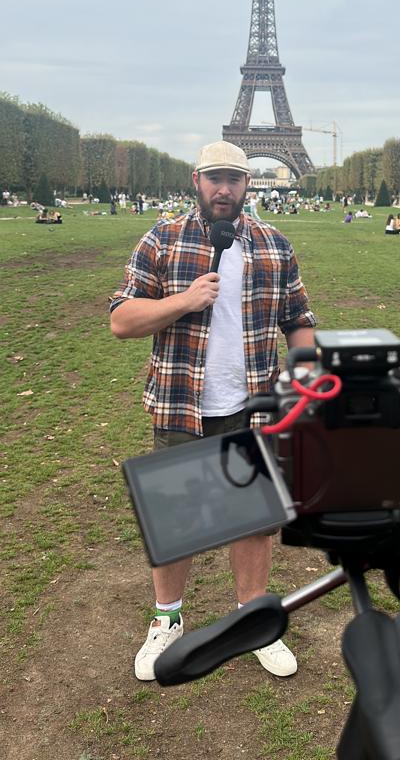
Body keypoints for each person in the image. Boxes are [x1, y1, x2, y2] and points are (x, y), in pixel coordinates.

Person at [110, 141, 316, 681]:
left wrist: (306, 370)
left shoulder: (274, 245)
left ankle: (252, 619)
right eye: (215, 178)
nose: (224, 189)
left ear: (248, 185)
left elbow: (298, 317)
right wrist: (183, 300)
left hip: (252, 404)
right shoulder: (162, 238)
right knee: (177, 519)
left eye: (235, 180)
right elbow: (121, 320)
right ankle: (167, 620)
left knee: (254, 521)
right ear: (196, 180)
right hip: (181, 403)